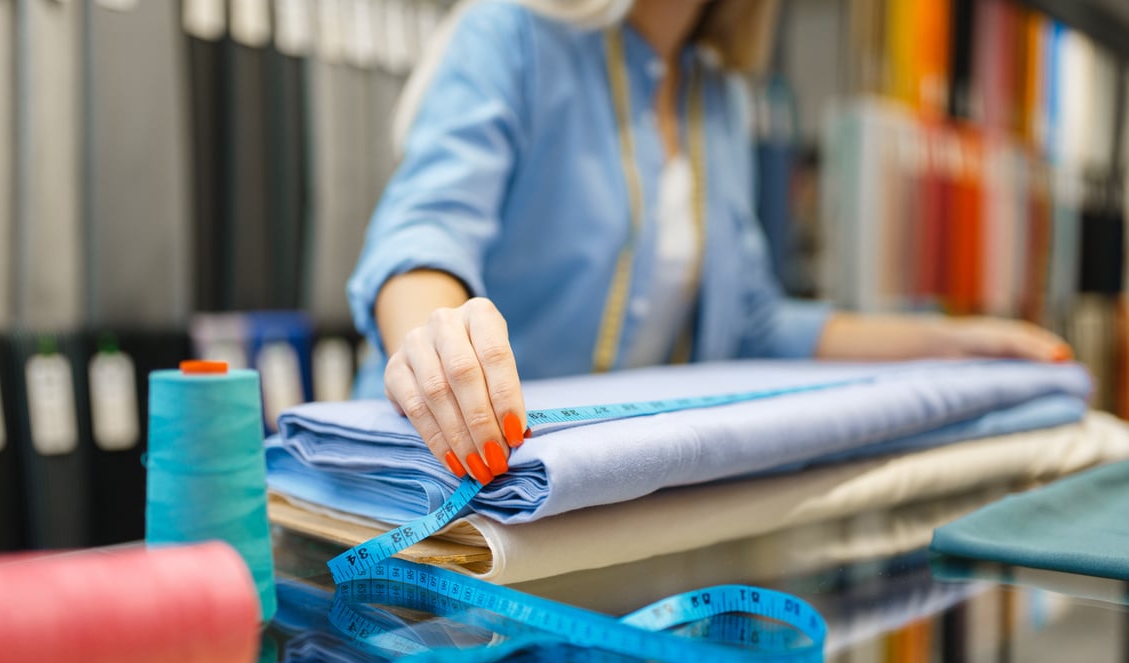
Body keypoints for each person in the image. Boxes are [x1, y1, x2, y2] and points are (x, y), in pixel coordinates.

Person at [346, 0, 1071, 486]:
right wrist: (433, 337)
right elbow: (425, 231)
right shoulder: (512, 32)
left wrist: (951, 342)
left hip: (580, 494)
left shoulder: (718, 100)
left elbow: (754, 321)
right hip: (447, 478)